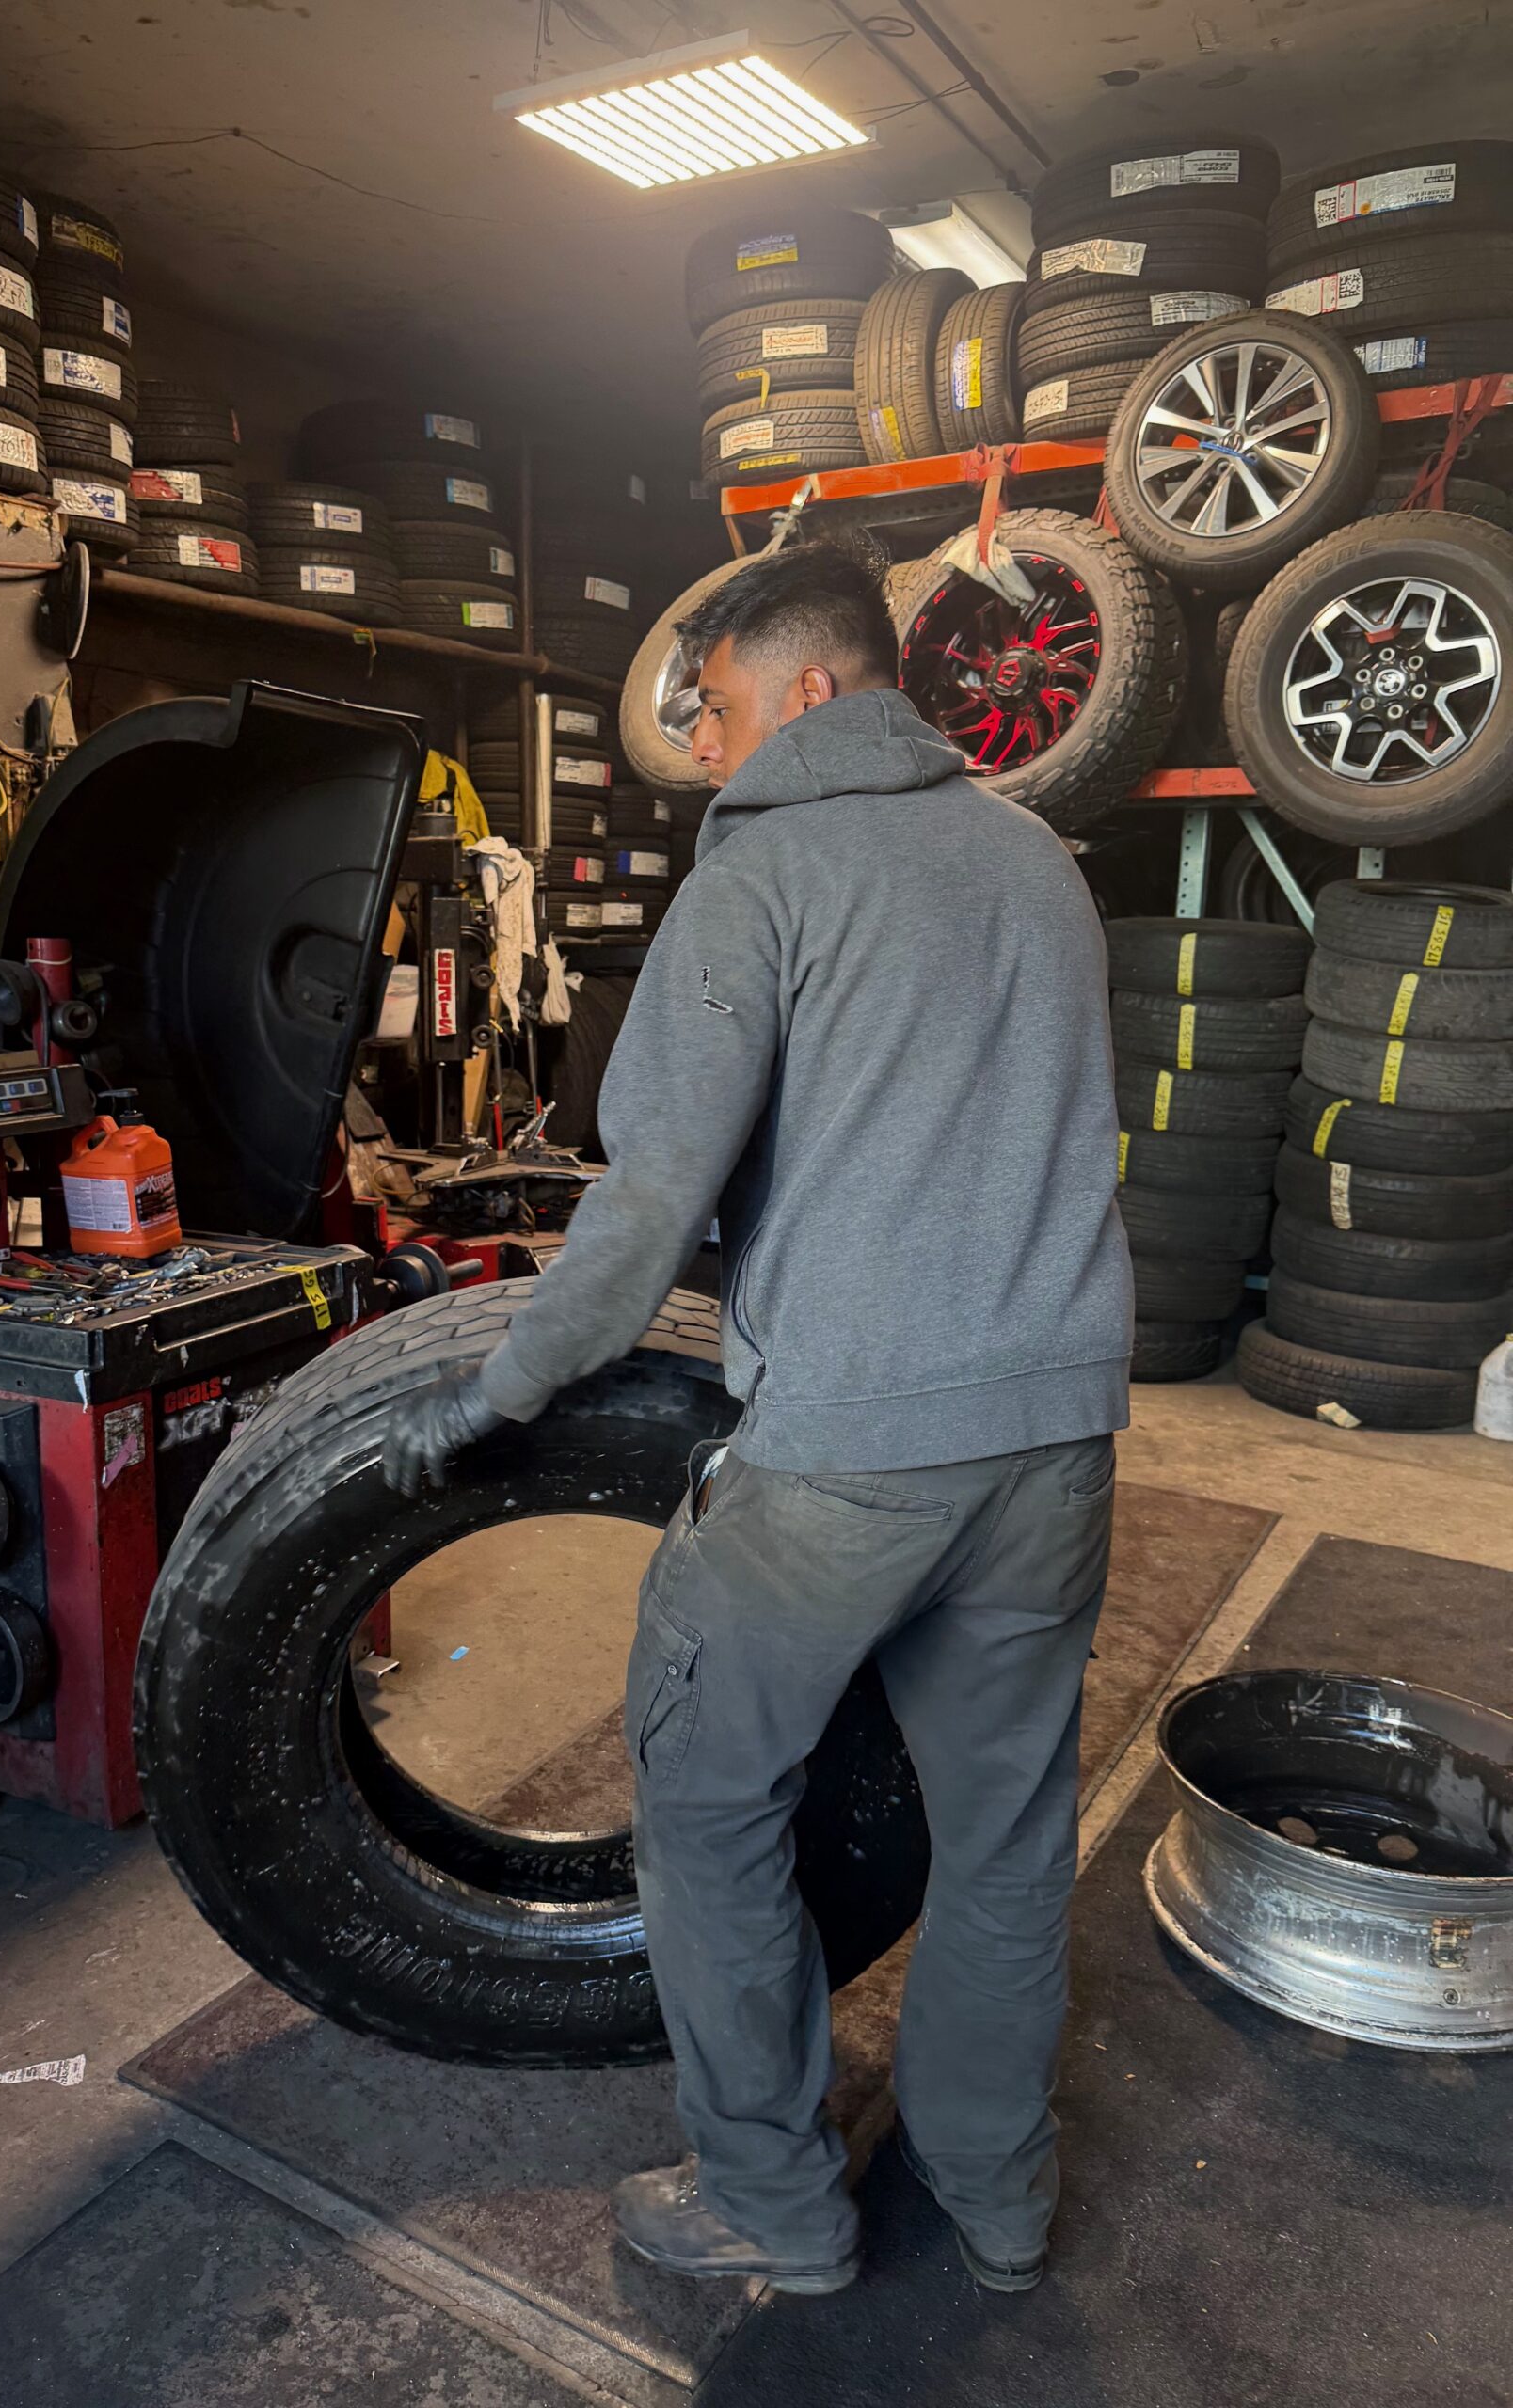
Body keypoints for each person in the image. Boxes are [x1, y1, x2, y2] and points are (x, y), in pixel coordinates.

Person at [382, 542, 1132, 2298]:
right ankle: (998, 2201)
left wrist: (500, 1385)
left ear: (811, 688)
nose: (706, 748)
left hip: (851, 1459)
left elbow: (648, 1204)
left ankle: (776, 2212)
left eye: (715, 709)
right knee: (1008, 1844)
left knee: (711, 1805)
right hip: (1057, 1441)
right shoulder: (1039, 863)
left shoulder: (764, 877)